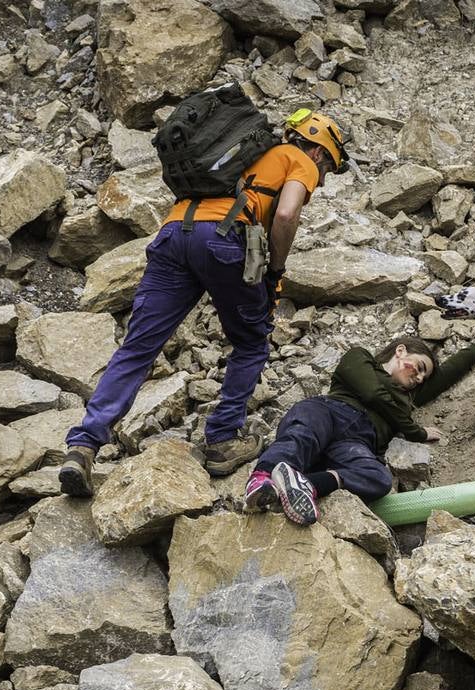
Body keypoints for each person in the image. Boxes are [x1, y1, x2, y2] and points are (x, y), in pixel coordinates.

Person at [60, 109, 352, 496]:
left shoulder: (239, 153)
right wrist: (275, 271)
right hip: (222, 241)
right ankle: (221, 439)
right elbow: (285, 213)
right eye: (329, 167)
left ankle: (83, 445)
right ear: (319, 151)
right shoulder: (300, 160)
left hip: (173, 234)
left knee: (139, 347)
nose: (324, 175)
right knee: (250, 342)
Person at [246, 333, 475, 525]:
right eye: (420, 367)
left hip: (358, 442)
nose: (421, 378)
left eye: (424, 377)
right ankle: (262, 481)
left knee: (378, 478)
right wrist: (415, 431)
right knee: (303, 434)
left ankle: (305, 485)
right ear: (400, 351)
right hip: (328, 411)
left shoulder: (410, 396)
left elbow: (455, 367)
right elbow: (372, 393)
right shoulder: (359, 357)